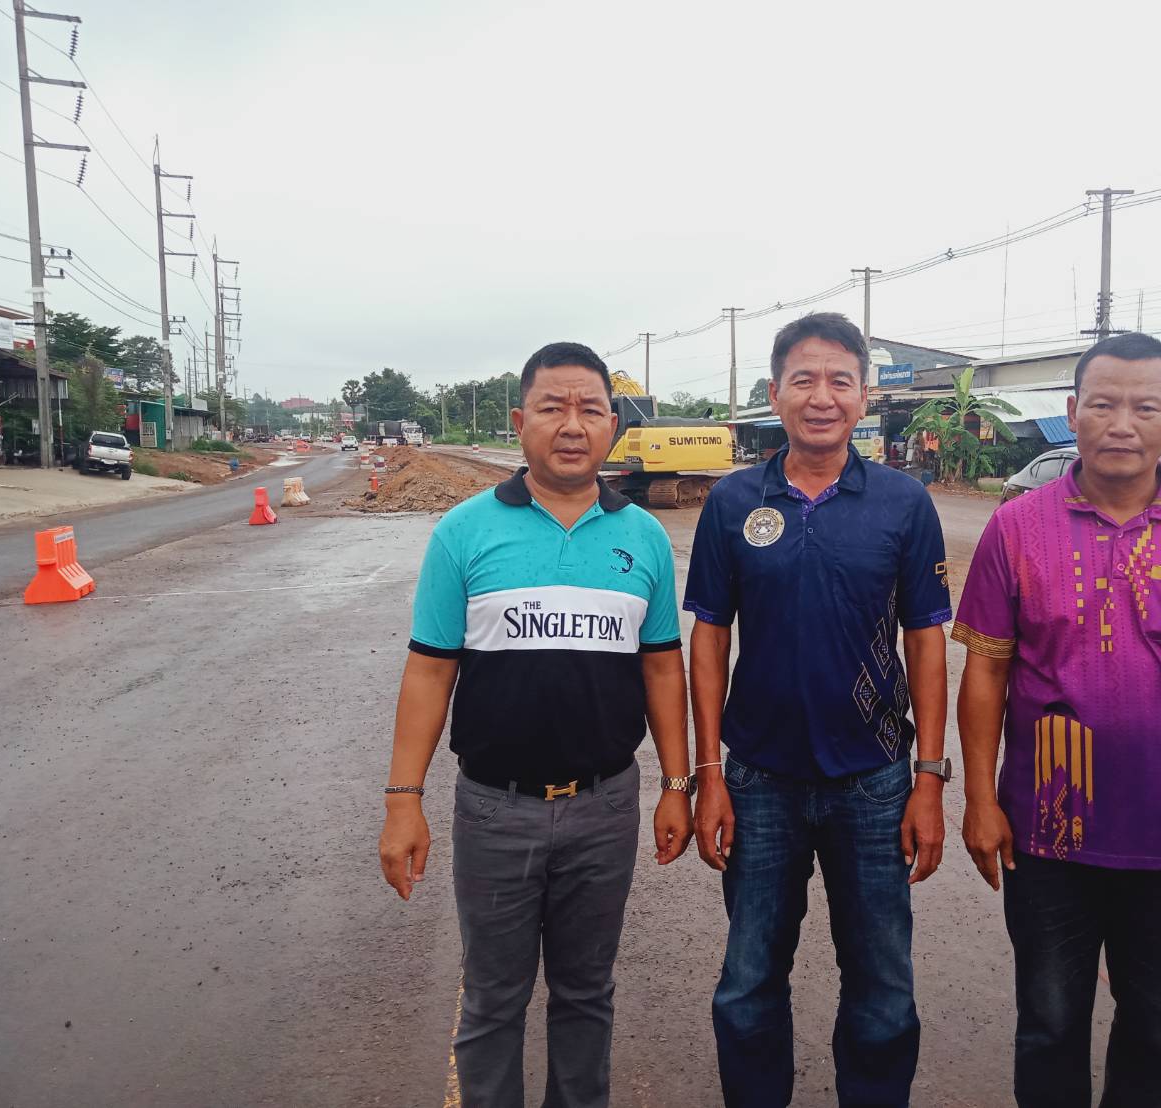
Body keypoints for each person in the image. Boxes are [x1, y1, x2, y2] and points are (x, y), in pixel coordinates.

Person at [953, 332, 1161, 1107]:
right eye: (1102, 405)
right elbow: (986, 671)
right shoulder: (1016, 526)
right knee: (1048, 1025)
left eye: (1143, 407)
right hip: (1046, 829)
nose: (1121, 424)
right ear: (1073, 413)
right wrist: (977, 799)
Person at [378, 341, 693, 1108]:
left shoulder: (643, 538)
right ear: (521, 423)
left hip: (604, 808)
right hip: (495, 810)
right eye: (553, 408)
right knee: (493, 999)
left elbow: (661, 669)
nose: (572, 425)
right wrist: (402, 800)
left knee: (586, 993)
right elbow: (429, 670)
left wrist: (676, 784)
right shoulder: (463, 533)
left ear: (613, 425)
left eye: (590, 409)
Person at [685, 311, 952, 1107]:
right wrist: (709, 775)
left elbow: (925, 641)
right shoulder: (733, 502)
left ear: (864, 397)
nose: (821, 396)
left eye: (840, 380)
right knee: (748, 984)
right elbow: (708, 638)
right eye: (803, 379)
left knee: (881, 991)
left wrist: (929, 779)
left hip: (874, 781)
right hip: (758, 780)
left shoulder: (903, 503)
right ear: (774, 394)